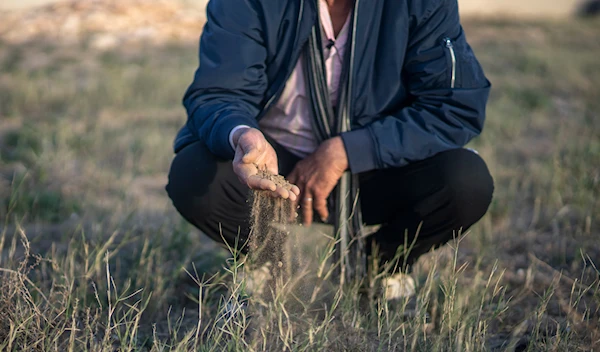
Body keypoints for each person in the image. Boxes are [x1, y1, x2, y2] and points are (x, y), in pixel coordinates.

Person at [167, 0, 494, 299]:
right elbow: (218, 93)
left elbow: (454, 105)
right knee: (195, 175)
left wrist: (348, 151)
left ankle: (381, 263)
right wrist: (243, 135)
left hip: (379, 164)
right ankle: (266, 257)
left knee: (465, 182)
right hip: (276, 164)